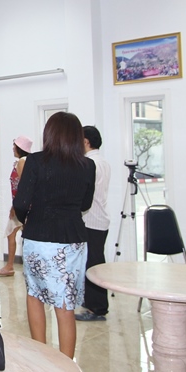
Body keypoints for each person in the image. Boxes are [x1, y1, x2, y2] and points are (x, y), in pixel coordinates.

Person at [13, 112, 95, 359]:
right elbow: (85, 204)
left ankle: (41, 358)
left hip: (39, 237)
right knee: (65, 304)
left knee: (35, 295)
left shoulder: (35, 161)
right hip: (73, 239)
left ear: (49, 134)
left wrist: (27, 220)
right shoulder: (87, 165)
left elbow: (21, 203)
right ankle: (67, 366)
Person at [76, 126, 111, 321]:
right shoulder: (103, 161)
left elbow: (84, 192)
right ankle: (91, 302)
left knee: (93, 264)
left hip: (91, 220)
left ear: (86, 141)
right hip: (100, 219)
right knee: (93, 262)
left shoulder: (89, 163)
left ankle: (97, 308)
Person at [0, 135, 32, 277]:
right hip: (23, 205)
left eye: (14, 146)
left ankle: (11, 266)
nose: (12, 149)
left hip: (22, 206)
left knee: (13, 234)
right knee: (20, 234)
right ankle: (17, 266)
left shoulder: (22, 162)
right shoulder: (26, 161)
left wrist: (15, 206)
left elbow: (23, 185)